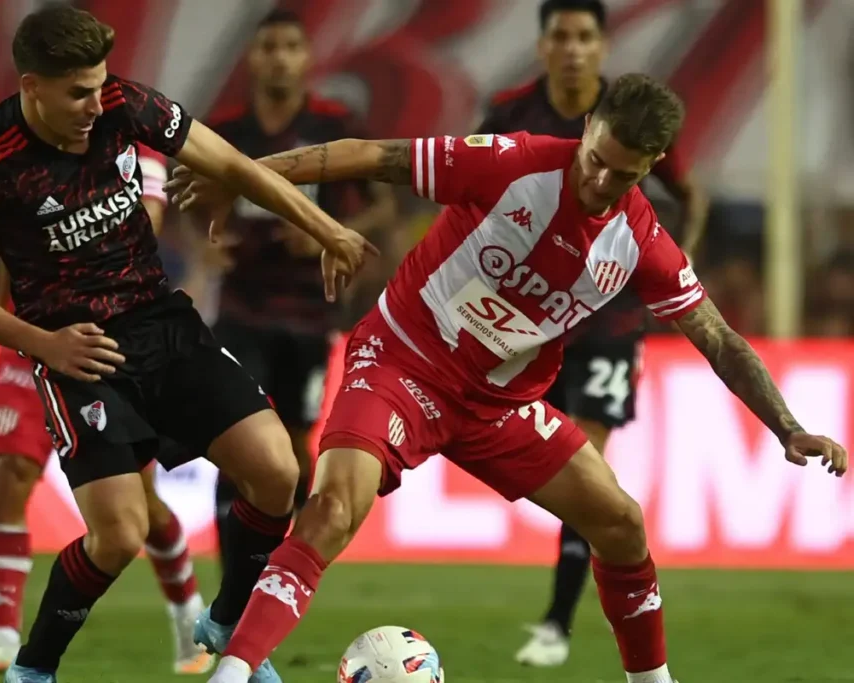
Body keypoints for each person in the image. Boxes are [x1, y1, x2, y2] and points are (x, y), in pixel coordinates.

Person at [169, 73, 847, 683]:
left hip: (498, 405)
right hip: (403, 360)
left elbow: (720, 338)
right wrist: (248, 175)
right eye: (597, 161)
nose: (600, 183)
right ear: (586, 130)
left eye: (624, 177)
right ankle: (231, 673)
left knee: (620, 523)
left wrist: (787, 426)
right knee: (333, 509)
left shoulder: (642, 244)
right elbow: (374, 155)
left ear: (649, 170)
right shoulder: (514, 163)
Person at [0, 6, 377, 683]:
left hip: (162, 322)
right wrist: (43, 344)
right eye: (77, 91)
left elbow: (228, 161)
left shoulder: (124, 103)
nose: (94, 102)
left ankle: (226, 622)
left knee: (279, 470)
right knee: (118, 534)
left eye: (99, 84)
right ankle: (33, 668)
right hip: (81, 351)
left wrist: (328, 229)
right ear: (31, 86)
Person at [474, 0, 709, 664]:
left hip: (608, 319)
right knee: (547, 459)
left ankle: (555, 622)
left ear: (603, 47)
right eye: (561, 36)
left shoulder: (630, 119)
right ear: (543, 45)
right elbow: (474, 190)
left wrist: (669, 268)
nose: (574, 48)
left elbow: (690, 196)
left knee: (592, 466)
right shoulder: (511, 112)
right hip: (529, 320)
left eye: (585, 37)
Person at [0, 145, 213, 676]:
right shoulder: (9, 150)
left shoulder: (134, 145)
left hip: (101, 344)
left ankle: (189, 617)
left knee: (142, 503)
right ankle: (0, 634)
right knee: (11, 475)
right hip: (27, 339)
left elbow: (147, 226)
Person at [204, 9, 397, 554]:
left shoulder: (333, 126)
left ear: (307, 58)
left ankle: (284, 559)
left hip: (311, 309)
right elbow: (177, 194)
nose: (280, 58)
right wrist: (201, 246)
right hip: (242, 307)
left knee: (293, 444)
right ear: (253, 58)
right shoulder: (227, 131)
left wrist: (331, 235)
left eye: (291, 46)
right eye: (269, 47)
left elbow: (383, 208)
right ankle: (233, 575)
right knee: (239, 438)